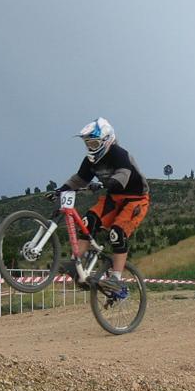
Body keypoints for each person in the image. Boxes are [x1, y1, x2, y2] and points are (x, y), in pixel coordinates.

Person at [54, 118, 150, 291]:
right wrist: (60, 190)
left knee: (117, 233)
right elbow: (79, 179)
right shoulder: (90, 160)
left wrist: (104, 184)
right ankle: (76, 264)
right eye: (88, 144)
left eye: (94, 143)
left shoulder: (119, 154)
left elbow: (123, 175)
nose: (90, 147)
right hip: (113, 198)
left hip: (135, 199)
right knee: (87, 222)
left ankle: (116, 278)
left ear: (106, 140)